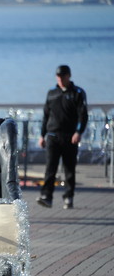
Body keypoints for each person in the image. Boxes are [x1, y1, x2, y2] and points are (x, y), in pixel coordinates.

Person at [36, 65, 88, 209]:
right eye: (58, 76)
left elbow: (82, 115)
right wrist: (42, 135)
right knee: (50, 168)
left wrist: (78, 132)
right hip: (53, 135)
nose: (60, 79)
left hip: (70, 136)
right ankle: (46, 196)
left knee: (69, 168)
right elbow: (46, 115)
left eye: (63, 76)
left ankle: (68, 196)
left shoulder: (77, 92)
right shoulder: (52, 93)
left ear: (69, 76)